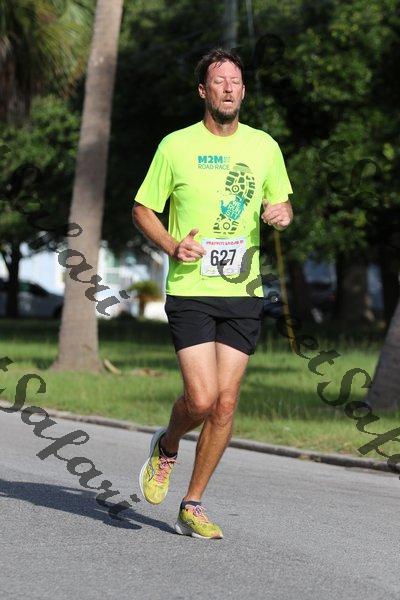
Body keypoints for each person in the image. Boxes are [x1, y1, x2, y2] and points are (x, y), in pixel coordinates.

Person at [132, 47, 293, 539]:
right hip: (192, 289)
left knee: (225, 404)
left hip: (243, 289)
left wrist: (282, 213)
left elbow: (281, 201)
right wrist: (171, 245)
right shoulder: (175, 146)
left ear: (243, 91)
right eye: (219, 81)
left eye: (236, 81)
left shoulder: (264, 146)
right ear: (203, 90)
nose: (228, 88)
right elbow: (142, 209)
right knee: (201, 399)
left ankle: (192, 503)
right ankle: (167, 445)